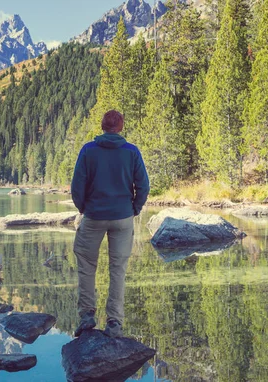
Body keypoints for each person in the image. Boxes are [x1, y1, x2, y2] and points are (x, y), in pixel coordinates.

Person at [71, 110, 150, 338]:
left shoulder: (88, 150)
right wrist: (134, 208)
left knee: (86, 266)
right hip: (123, 218)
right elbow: (143, 186)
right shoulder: (132, 152)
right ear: (121, 127)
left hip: (94, 217)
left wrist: (83, 208)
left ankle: (87, 317)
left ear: (102, 126)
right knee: (118, 270)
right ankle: (114, 322)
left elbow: (77, 186)